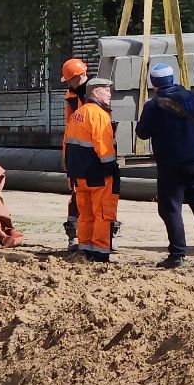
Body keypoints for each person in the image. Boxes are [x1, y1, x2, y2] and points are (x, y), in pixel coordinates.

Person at [134, 61, 194, 269]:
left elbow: (142, 133)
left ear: (154, 84)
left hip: (170, 162)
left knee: (171, 208)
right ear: (173, 79)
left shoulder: (153, 106)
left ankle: (177, 254)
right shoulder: (193, 98)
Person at [64, 73, 120, 262]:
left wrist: (71, 173)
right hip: (98, 175)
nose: (109, 93)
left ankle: (86, 248)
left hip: (80, 175)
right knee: (102, 213)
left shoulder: (77, 114)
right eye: (106, 90)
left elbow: (68, 144)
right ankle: (101, 252)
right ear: (95, 92)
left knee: (85, 214)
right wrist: (112, 169)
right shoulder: (99, 115)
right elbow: (104, 148)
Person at [58, 57, 88, 253]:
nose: (68, 83)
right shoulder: (71, 95)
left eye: (69, 79)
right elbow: (69, 126)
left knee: (97, 196)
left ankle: (97, 237)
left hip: (93, 151)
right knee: (77, 194)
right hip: (75, 151)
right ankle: (74, 235)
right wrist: (67, 155)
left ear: (79, 76)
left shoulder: (96, 92)